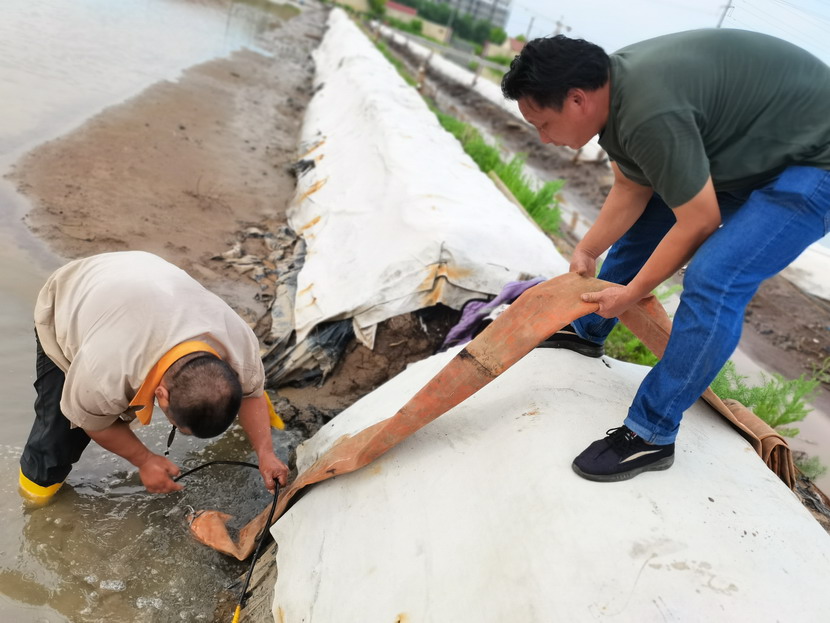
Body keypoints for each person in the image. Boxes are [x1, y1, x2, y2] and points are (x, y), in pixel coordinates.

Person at [501, 29, 830, 482]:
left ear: (577, 100)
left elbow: (699, 222)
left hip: (816, 161)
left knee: (716, 277)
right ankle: (589, 329)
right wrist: (587, 249)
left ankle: (652, 431)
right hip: (758, 149)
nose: (542, 138)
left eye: (543, 124)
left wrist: (632, 293)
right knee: (652, 215)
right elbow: (632, 186)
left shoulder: (648, 110)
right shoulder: (613, 91)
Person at [19, 251, 289, 500]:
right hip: (73, 293)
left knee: (232, 391)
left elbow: (250, 393)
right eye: (177, 426)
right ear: (161, 394)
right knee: (59, 437)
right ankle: (34, 495)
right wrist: (144, 460)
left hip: (145, 279)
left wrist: (266, 454)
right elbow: (94, 423)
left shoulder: (240, 344)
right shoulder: (102, 372)